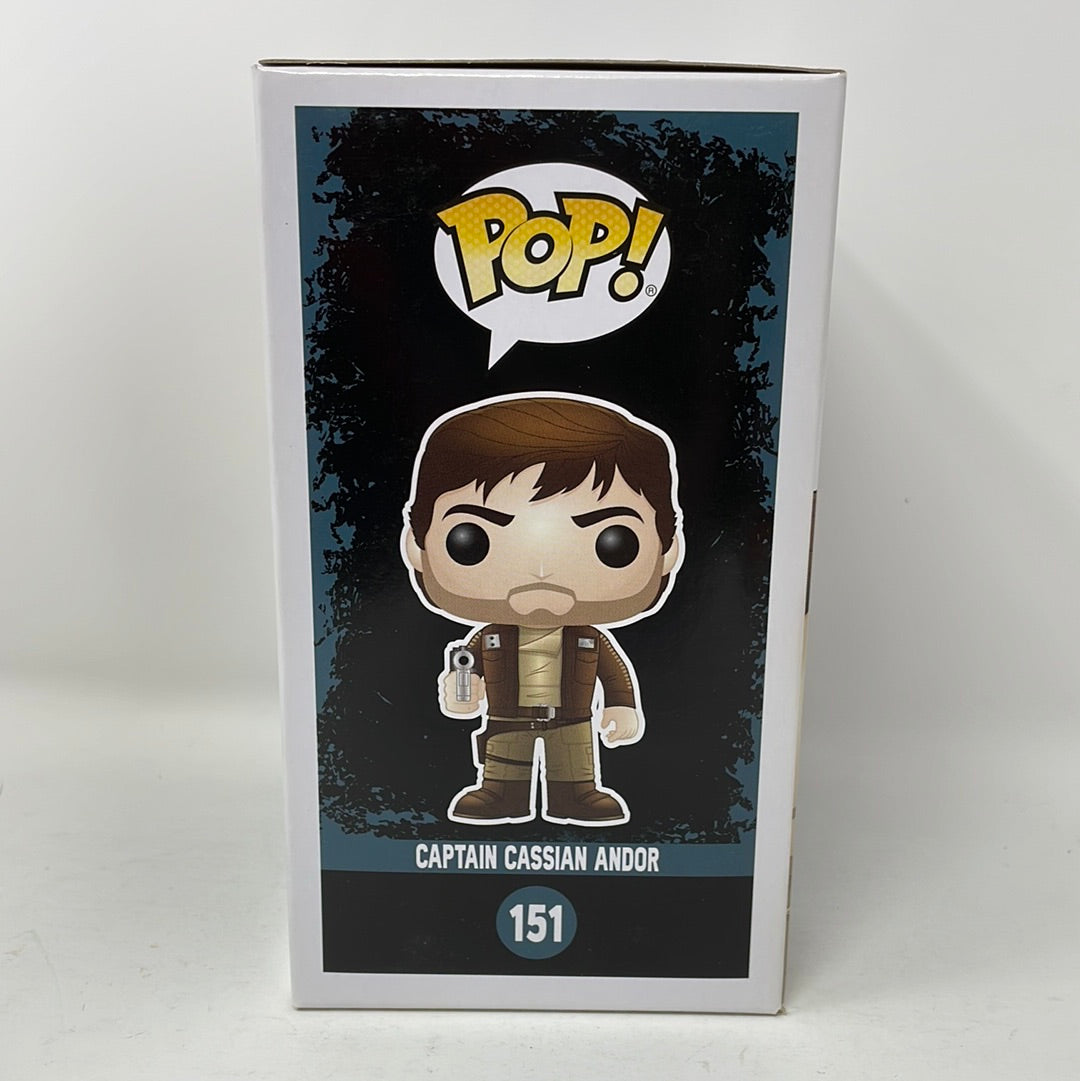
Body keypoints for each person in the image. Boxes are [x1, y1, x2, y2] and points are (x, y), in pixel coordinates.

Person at [401, 394, 683, 826]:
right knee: (504, 763)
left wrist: (622, 706)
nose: (541, 571)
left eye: (614, 543)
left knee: (574, 764)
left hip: (572, 719)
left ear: (667, 552)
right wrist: (462, 690)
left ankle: (577, 795)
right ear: (417, 547)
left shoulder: (589, 638)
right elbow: (467, 674)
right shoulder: (487, 638)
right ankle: (500, 794)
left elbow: (613, 674)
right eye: (470, 539)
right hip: (506, 717)